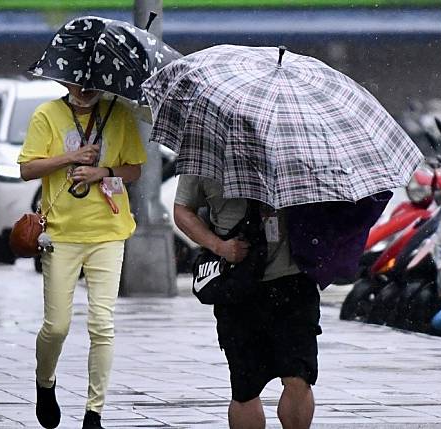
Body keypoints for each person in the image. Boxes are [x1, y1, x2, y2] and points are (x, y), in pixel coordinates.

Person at [18, 83, 147, 429]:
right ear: (66, 81)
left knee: (102, 324)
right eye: (80, 82)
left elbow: (134, 169)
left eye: (93, 83)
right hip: (61, 235)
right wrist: (71, 158)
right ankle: (45, 383)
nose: (86, 89)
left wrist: (102, 172)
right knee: (56, 327)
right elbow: (27, 169)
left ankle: (94, 412)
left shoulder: (118, 114)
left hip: (109, 232)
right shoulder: (47, 114)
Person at [174, 176, 321, 429]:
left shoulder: (294, 145)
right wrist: (218, 246)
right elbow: (181, 210)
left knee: (299, 376)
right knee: (245, 387)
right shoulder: (206, 150)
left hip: (293, 281)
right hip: (238, 284)